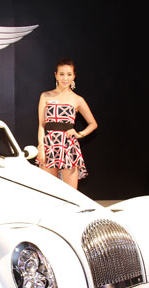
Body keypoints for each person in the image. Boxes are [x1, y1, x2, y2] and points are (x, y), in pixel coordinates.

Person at [37, 58, 97, 189]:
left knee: (70, 194)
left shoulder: (78, 99)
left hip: (68, 148)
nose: (65, 78)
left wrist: (79, 134)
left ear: (74, 76)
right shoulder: (45, 96)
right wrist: (41, 147)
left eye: (69, 74)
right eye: (62, 74)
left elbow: (93, 124)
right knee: (48, 192)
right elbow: (41, 125)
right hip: (49, 147)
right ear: (56, 75)